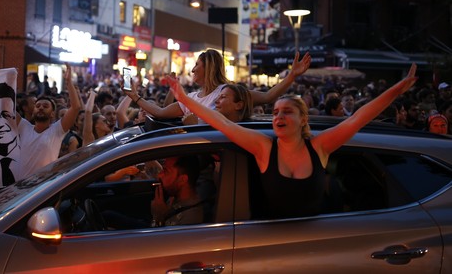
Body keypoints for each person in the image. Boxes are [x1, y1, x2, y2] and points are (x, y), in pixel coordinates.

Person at [166, 64, 418, 219]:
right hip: (272, 245)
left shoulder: (319, 146)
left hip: (312, 244)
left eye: (287, 111)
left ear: (303, 118)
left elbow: (359, 119)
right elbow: (223, 123)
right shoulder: (264, 147)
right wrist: (182, 96)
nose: (279, 116)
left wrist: (397, 90)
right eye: (275, 112)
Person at [123, 49, 311, 123]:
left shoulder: (228, 92)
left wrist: (292, 75)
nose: (192, 70)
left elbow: (268, 97)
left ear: (209, 68)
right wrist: (135, 97)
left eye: (197, 65)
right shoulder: (193, 98)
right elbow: (160, 112)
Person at [17, 66, 82, 177]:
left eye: (46, 106)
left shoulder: (57, 130)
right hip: (21, 188)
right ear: (33, 112)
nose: (41, 107)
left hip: (44, 188)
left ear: (52, 114)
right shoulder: (24, 127)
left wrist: (68, 82)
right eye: (37, 106)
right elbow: (7, 109)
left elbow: (75, 107)